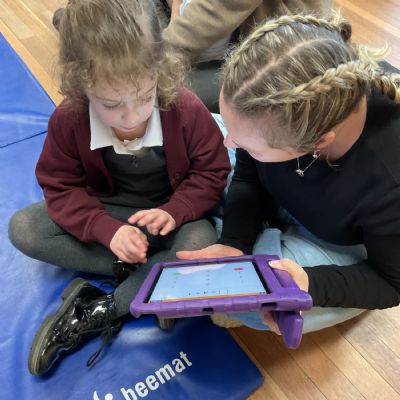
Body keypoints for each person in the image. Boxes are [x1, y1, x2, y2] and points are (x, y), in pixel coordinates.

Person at [8, 0, 230, 376]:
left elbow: (212, 172)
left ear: (159, 70)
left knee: (200, 242)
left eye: (143, 97)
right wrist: (107, 231)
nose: (131, 116)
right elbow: (60, 187)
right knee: (24, 228)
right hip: (107, 211)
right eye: (110, 104)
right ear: (81, 86)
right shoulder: (69, 119)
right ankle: (155, 283)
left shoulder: (186, 109)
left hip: (168, 218)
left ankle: (104, 307)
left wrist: (175, 210)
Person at [177, 12, 400, 333]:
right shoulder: (286, 107)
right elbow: (248, 172)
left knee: (253, 306)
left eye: (247, 144)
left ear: (317, 143)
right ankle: (258, 245)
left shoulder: (389, 184)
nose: (229, 142)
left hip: (343, 239)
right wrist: (234, 242)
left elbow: (391, 283)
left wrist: (308, 283)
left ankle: (269, 255)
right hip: (292, 183)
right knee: (200, 131)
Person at [163, 0, 333, 112]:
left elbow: (215, 12)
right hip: (231, 42)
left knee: (168, 96)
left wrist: (156, 58)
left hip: (280, 57)